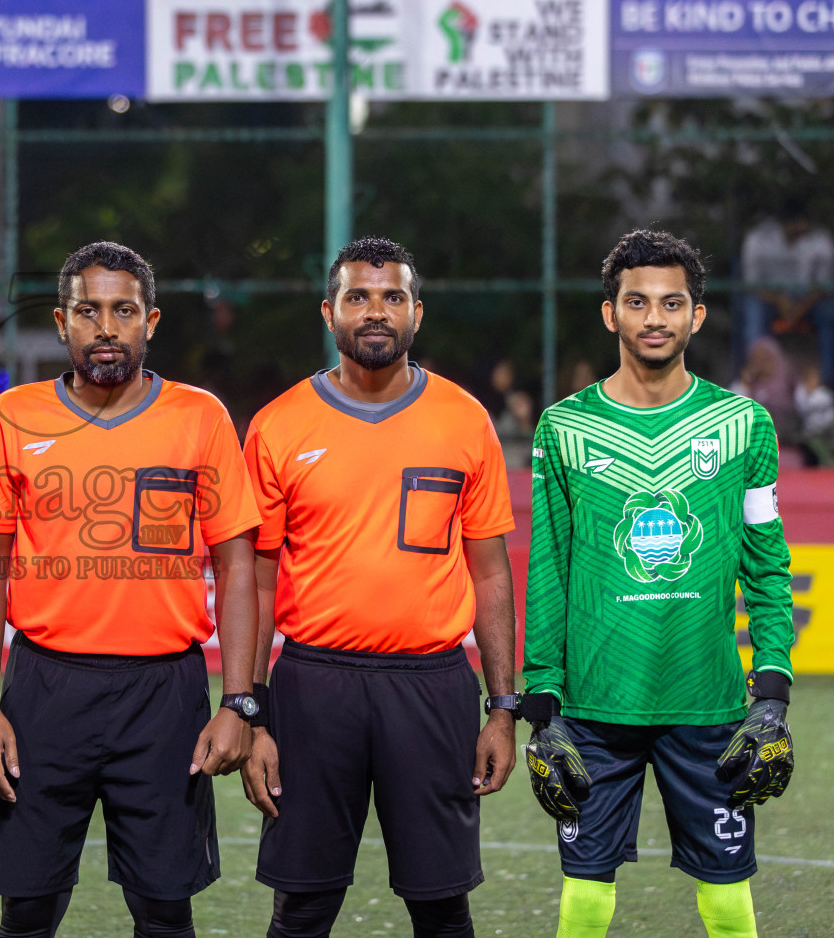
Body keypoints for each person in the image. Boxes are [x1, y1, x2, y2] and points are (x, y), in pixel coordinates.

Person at [0, 241, 261, 938]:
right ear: (61, 324)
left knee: (164, 912)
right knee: (27, 912)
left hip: (165, 695)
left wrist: (239, 702)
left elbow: (237, 567)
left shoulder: (201, 418)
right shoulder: (12, 417)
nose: (105, 327)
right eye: (86, 311)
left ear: (150, 322)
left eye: (122, 310)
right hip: (43, 688)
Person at [239, 236, 518, 938]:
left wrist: (503, 708)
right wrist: (252, 712)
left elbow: (490, 571)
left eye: (391, 296)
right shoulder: (277, 425)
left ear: (415, 313)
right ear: (328, 312)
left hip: (431, 685)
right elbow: (257, 580)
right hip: (313, 684)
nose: (375, 310)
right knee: (301, 905)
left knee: (441, 903)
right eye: (358, 296)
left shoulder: (464, 420)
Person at [524, 229, 795, 938]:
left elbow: (767, 566)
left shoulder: (742, 426)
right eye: (637, 303)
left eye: (671, 303)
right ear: (609, 313)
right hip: (592, 708)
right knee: (584, 903)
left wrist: (770, 694)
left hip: (708, 708)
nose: (654, 318)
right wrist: (541, 702)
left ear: (696, 316)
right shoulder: (564, 429)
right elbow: (547, 567)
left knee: (729, 904)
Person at [740, 198, 833, 385]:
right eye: (796, 222)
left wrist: (799, 308)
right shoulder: (759, 240)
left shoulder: (820, 242)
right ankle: (753, 380)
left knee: (828, 314)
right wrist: (779, 300)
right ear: (783, 222)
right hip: (769, 300)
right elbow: (751, 285)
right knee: (753, 310)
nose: (801, 227)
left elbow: (824, 286)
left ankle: (826, 382)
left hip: (809, 302)